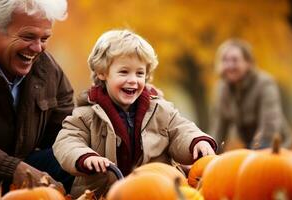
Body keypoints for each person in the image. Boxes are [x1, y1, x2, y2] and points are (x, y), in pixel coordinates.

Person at [53, 29, 217, 198]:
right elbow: (67, 141)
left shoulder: (160, 110)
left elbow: (181, 129)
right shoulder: (86, 115)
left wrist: (197, 141)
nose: (133, 80)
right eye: (124, 72)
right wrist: (85, 157)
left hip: (157, 189)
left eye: (140, 73)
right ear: (102, 73)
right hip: (105, 193)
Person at [0, 0, 74, 197]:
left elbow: (68, 131)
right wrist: (13, 170)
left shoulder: (48, 72)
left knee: (76, 161)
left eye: (44, 39)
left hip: (23, 179)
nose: (38, 48)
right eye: (28, 36)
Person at [211, 39, 292, 151]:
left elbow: (269, 125)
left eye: (235, 60)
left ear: (248, 63)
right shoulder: (222, 89)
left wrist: (258, 150)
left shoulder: (265, 84)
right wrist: (211, 151)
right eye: (225, 60)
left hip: (276, 146)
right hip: (251, 149)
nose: (230, 66)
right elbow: (219, 129)